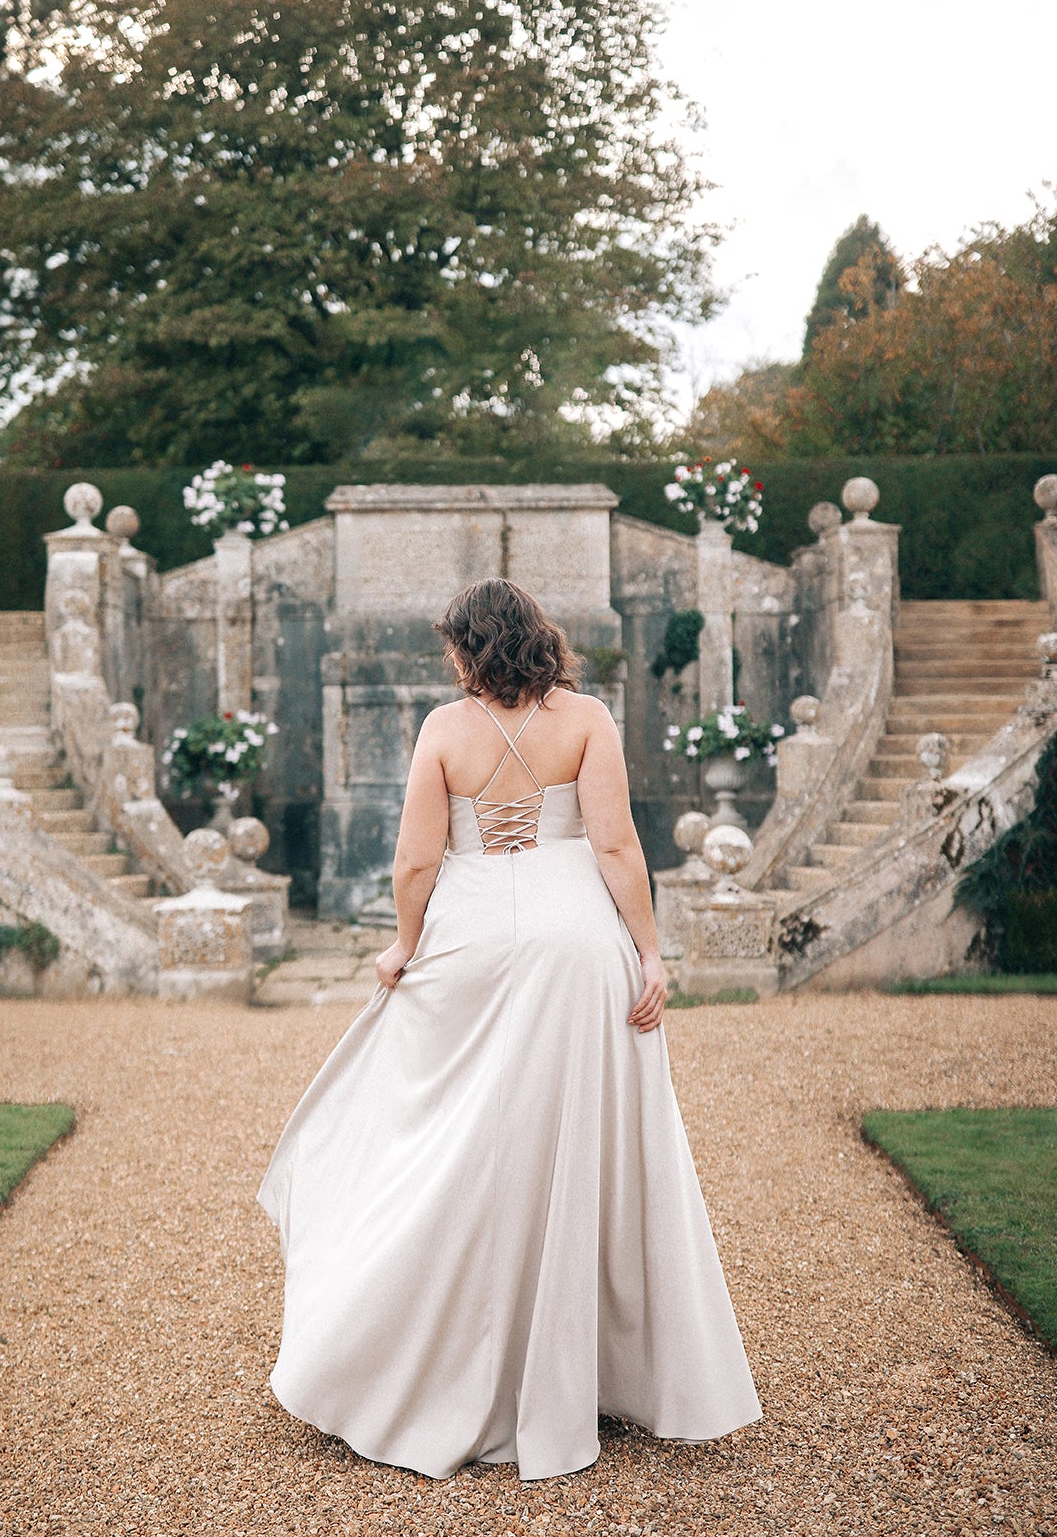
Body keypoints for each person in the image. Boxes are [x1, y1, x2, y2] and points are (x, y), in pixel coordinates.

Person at [257, 577, 761, 1482]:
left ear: (467, 648)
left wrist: (403, 946)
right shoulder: (587, 719)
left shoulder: (445, 730)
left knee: (455, 1139)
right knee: (584, 1143)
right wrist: (650, 954)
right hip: (578, 940)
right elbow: (616, 847)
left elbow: (417, 861)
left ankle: (429, 1357)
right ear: (538, 638)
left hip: (472, 938)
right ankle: (597, 1369)